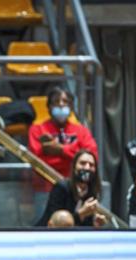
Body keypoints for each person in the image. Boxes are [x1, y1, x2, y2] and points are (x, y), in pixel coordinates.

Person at [28, 87, 99, 218]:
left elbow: (92, 156)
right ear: (48, 107)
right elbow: (37, 160)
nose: (61, 105)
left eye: (65, 102)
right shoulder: (37, 130)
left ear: (72, 107)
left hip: (76, 191)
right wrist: (73, 156)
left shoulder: (81, 131)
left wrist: (60, 150)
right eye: (56, 101)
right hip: (45, 189)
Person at [36, 150, 107, 227]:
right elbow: (57, 222)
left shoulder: (92, 191)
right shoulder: (61, 187)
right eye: (83, 163)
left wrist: (94, 224)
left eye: (91, 165)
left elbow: (83, 225)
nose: (87, 167)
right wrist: (81, 213)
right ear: (74, 167)